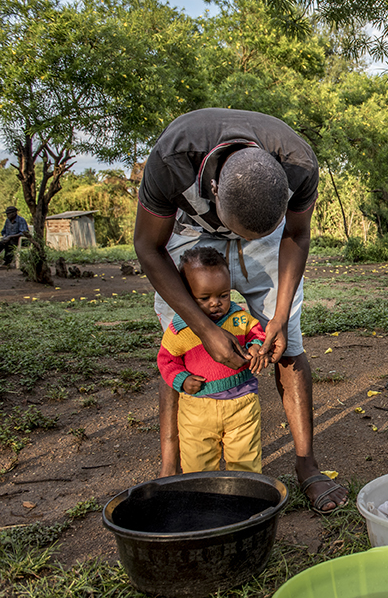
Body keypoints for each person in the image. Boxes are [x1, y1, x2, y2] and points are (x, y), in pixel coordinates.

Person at [134, 107, 348, 514]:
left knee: (287, 346)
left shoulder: (299, 165)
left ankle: (307, 465)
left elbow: (297, 235)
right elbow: (148, 247)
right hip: (191, 234)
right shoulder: (171, 161)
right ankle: (170, 470)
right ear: (213, 189)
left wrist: (279, 320)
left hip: (274, 237)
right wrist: (204, 329)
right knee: (180, 347)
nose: (238, 244)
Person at [158, 247, 269, 473]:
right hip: (197, 410)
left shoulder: (239, 318)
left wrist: (256, 347)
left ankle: (244, 497)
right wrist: (182, 379)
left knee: (245, 460)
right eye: (204, 298)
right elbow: (167, 361)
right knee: (197, 464)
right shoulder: (179, 331)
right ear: (186, 296)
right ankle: (203, 499)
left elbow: (256, 333)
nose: (215, 303)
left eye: (223, 295)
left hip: (242, 405)